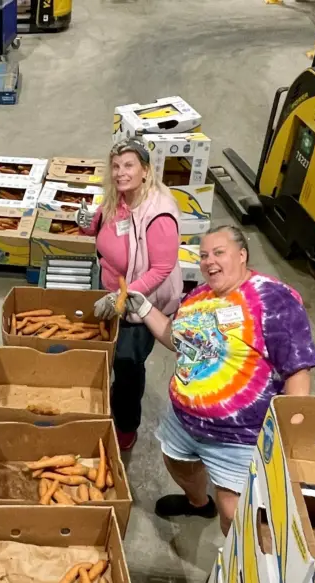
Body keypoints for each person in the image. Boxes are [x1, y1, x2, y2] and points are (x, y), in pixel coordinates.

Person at [121, 225, 315, 534]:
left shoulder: (273, 299)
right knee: (178, 463)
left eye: (218, 252)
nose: (208, 261)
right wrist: (144, 307)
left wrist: (286, 435)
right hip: (184, 419)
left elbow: (297, 370)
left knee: (234, 515)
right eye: (203, 255)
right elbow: (177, 340)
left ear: (242, 255)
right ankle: (198, 504)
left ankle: (233, 572)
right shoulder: (198, 297)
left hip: (238, 433)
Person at [77, 139, 184, 451]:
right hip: (110, 286)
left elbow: (161, 268)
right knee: (103, 350)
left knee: (127, 364)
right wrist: (87, 225)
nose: (120, 173)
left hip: (140, 303)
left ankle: (125, 426)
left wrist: (121, 298)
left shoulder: (159, 214)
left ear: (145, 170)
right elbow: (104, 230)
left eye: (129, 165)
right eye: (116, 166)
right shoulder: (118, 198)